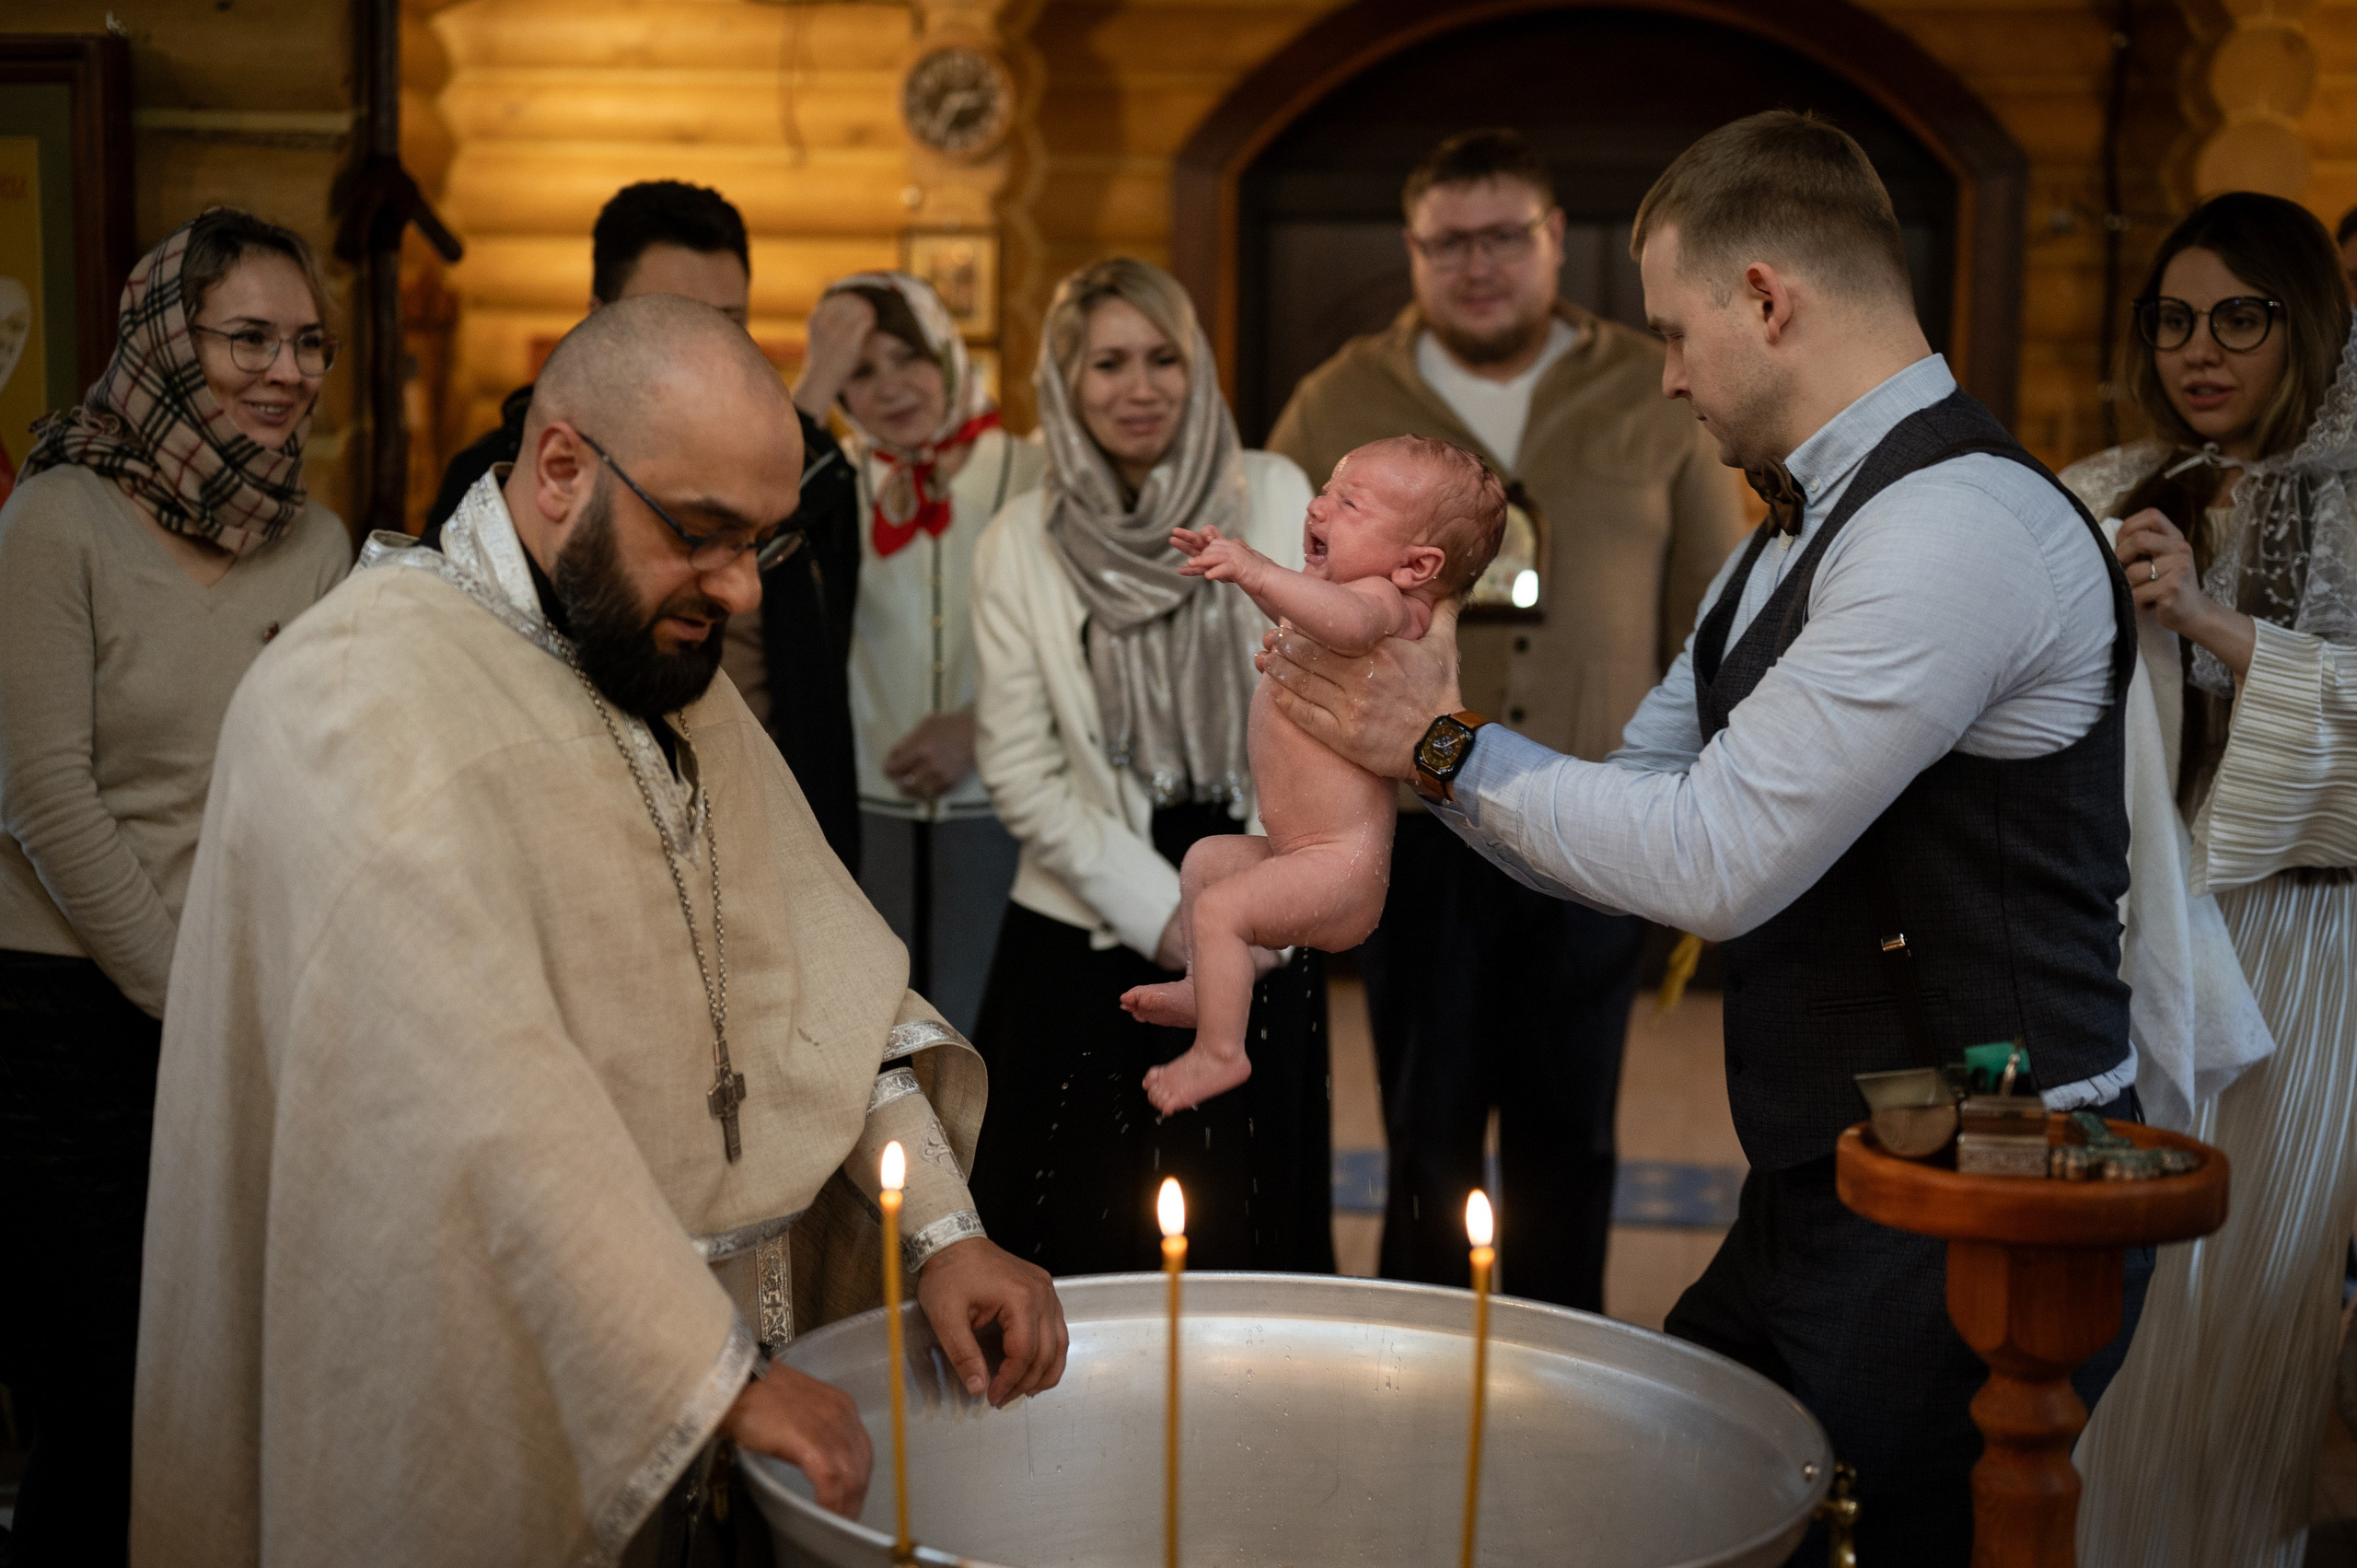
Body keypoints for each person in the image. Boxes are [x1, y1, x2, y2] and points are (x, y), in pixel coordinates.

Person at [1258, 110, 2148, 1565]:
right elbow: (1629, 790)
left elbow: (1713, 862)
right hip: (1837, 1166)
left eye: (1676, 328)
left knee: (1855, 1528)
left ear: (1765, 298)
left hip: (1994, 1178)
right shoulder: (1787, 535)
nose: (1663, 370)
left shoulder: (1957, 529)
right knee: (1685, 1479)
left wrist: (1435, 744)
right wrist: (1417, 754)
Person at [131, 296, 1066, 1568]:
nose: (738, 591)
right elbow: (468, 1105)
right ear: (563, 464)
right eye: (703, 533)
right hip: (504, 1401)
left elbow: (823, 985)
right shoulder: (354, 699)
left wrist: (950, 1232)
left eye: (762, 545)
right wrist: (712, 1371)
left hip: (739, 1400)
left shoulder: (652, 655)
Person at [1265, 128, 1750, 1311]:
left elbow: (1713, 608)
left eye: (1503, 238)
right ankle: (1419, 1362)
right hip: (1410, 822)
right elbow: (1281, 579)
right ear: (1413, 249)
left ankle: (1559, 1361)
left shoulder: (1654, 383)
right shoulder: (1342, 394)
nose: (1476, 264)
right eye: (1448, 242)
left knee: (1569, 1126)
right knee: (1425, 1126)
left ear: (1551, 242)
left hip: (1589, 815)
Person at [0, 209, 352, 1568]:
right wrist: (185, 988)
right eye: (247, 336)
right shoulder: (58, 515)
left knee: (216, 1391)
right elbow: (41, 792)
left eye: (308, 342)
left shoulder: (314, 542)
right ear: (164, 340)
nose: (286, 369)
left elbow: (312, 782)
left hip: (228, 1016)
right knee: (102, 1401)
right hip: (58, 1016)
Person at [2062, 192, 2357, 1568]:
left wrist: (2206, 620)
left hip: (2303, 937)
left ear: (2306, 322)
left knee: (2246, 1303)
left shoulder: (2349, 495)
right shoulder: (2110, 481)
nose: (2203, 348)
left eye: (2240, 314)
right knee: (2114, 1280)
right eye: (2175, 318)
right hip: (2135, 925)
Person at [968, 257, 1333, 1275]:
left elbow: (1321, 704)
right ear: (1066, 383)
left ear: (1197, 365)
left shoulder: (1277, 493)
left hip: (1259, 877)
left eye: (1164, 358)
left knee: (1244, 1228)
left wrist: (1256, 897)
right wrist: (1167, 915)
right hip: (1091, 907)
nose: (1139, 387)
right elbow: (1022, 771)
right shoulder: (1016, 543)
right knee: (1072, 1228)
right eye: (1108, 363)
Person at [425, 179, 866, 875]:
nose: (741, 587)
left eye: (730, 321)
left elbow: (823, 686)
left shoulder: (809, 483)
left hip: (765, 837)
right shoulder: (500, 484)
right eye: (695, 530)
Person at [1124, 437, 1507, 1113]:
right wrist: (1245, 567)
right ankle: (1205, 986)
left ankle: (1221, 1052)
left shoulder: (1386, 604)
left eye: (1350, 503)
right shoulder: (1342, 597)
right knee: (1206, 863)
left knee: (1220, 907)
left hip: (1340, 868)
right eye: (1328, 490)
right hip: (1301, 850)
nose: (1319, 507)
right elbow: (1308, 616)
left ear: (1417, 564)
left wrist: (1254, 570)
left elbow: (1347, 624)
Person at [791, 273, 1044, 1033]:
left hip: (1007, 803)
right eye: (861, 372)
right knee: (880, 1031)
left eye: (910, 358)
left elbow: (1080, 640)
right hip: (866, 813)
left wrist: (979, 724)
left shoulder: (1032, 476)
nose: (892, 388)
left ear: (947, 353)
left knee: (992, 1028)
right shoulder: (825, 485)